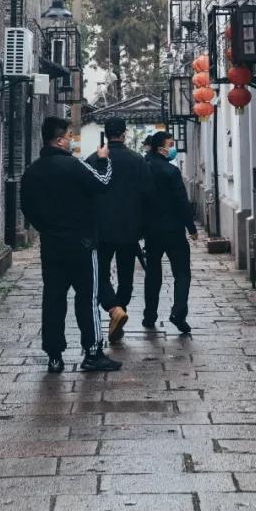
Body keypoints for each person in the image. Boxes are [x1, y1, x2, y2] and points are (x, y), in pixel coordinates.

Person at [19, 116, 123, 374]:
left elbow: (27, 208)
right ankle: (92, 353)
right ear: (59, 139)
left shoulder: (32, 171)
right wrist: (103, 158)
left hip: (52, 244)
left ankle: (54, 356)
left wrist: (47, 229)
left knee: (53, 298)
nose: (71, 140)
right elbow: (103, 182)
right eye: (68, 135)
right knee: (87, 299)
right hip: (82, 244)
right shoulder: (73, 166)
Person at [95, 115, 153, 343]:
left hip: (101, 229)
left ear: (106, 134)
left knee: (100, 273)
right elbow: (149, 194)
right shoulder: (137, 160)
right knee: (126, 275)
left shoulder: (94, 159)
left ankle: (113, 309)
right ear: (124, 133)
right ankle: (120, 310)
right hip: (130, 228)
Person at [142, 129, 198, 336]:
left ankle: (149, 315)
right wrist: (191, 228)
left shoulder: (144, 169)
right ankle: (178, 313)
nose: (172, 148)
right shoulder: (171, 171)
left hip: (151, 230)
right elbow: (181, 201)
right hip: (174, 229)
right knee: (182, 273)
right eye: (170, 144)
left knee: (153, 274)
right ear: (161, 147)